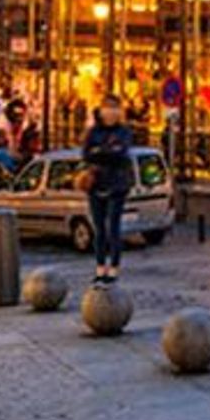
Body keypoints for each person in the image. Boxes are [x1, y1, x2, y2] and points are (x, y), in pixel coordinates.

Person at [82, 95, 134, 284]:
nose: (111, 111)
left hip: (117, 184)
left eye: (115, 107)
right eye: (107, 107)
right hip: (96, 183)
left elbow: (120, 154)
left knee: (113, 226)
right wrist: (107, 151)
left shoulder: (124, 131)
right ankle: (99, 266)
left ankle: (114, 267)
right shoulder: (93, 131)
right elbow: (87, 154)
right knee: (99, 228)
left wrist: (101, 152)